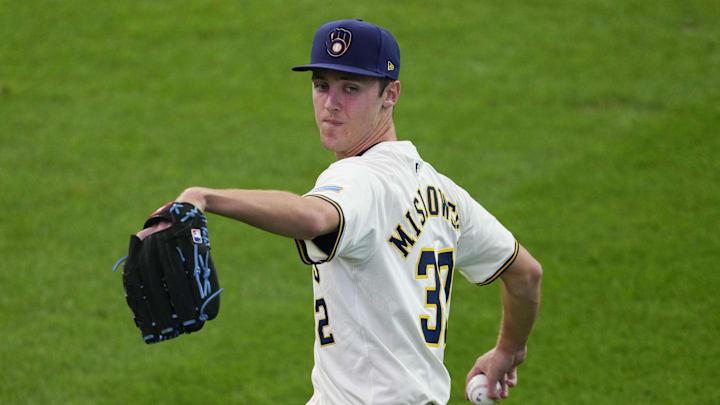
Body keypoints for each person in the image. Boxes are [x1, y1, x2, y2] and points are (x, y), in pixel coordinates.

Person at [170, 19, 541, 404]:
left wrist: (206, 198)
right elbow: (526, 274)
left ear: (390, 94)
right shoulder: (443, 192)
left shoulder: (359, 179)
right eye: (321, 85)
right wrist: (509, 350)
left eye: (351, 88)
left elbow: (313, 217)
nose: (331, 102)